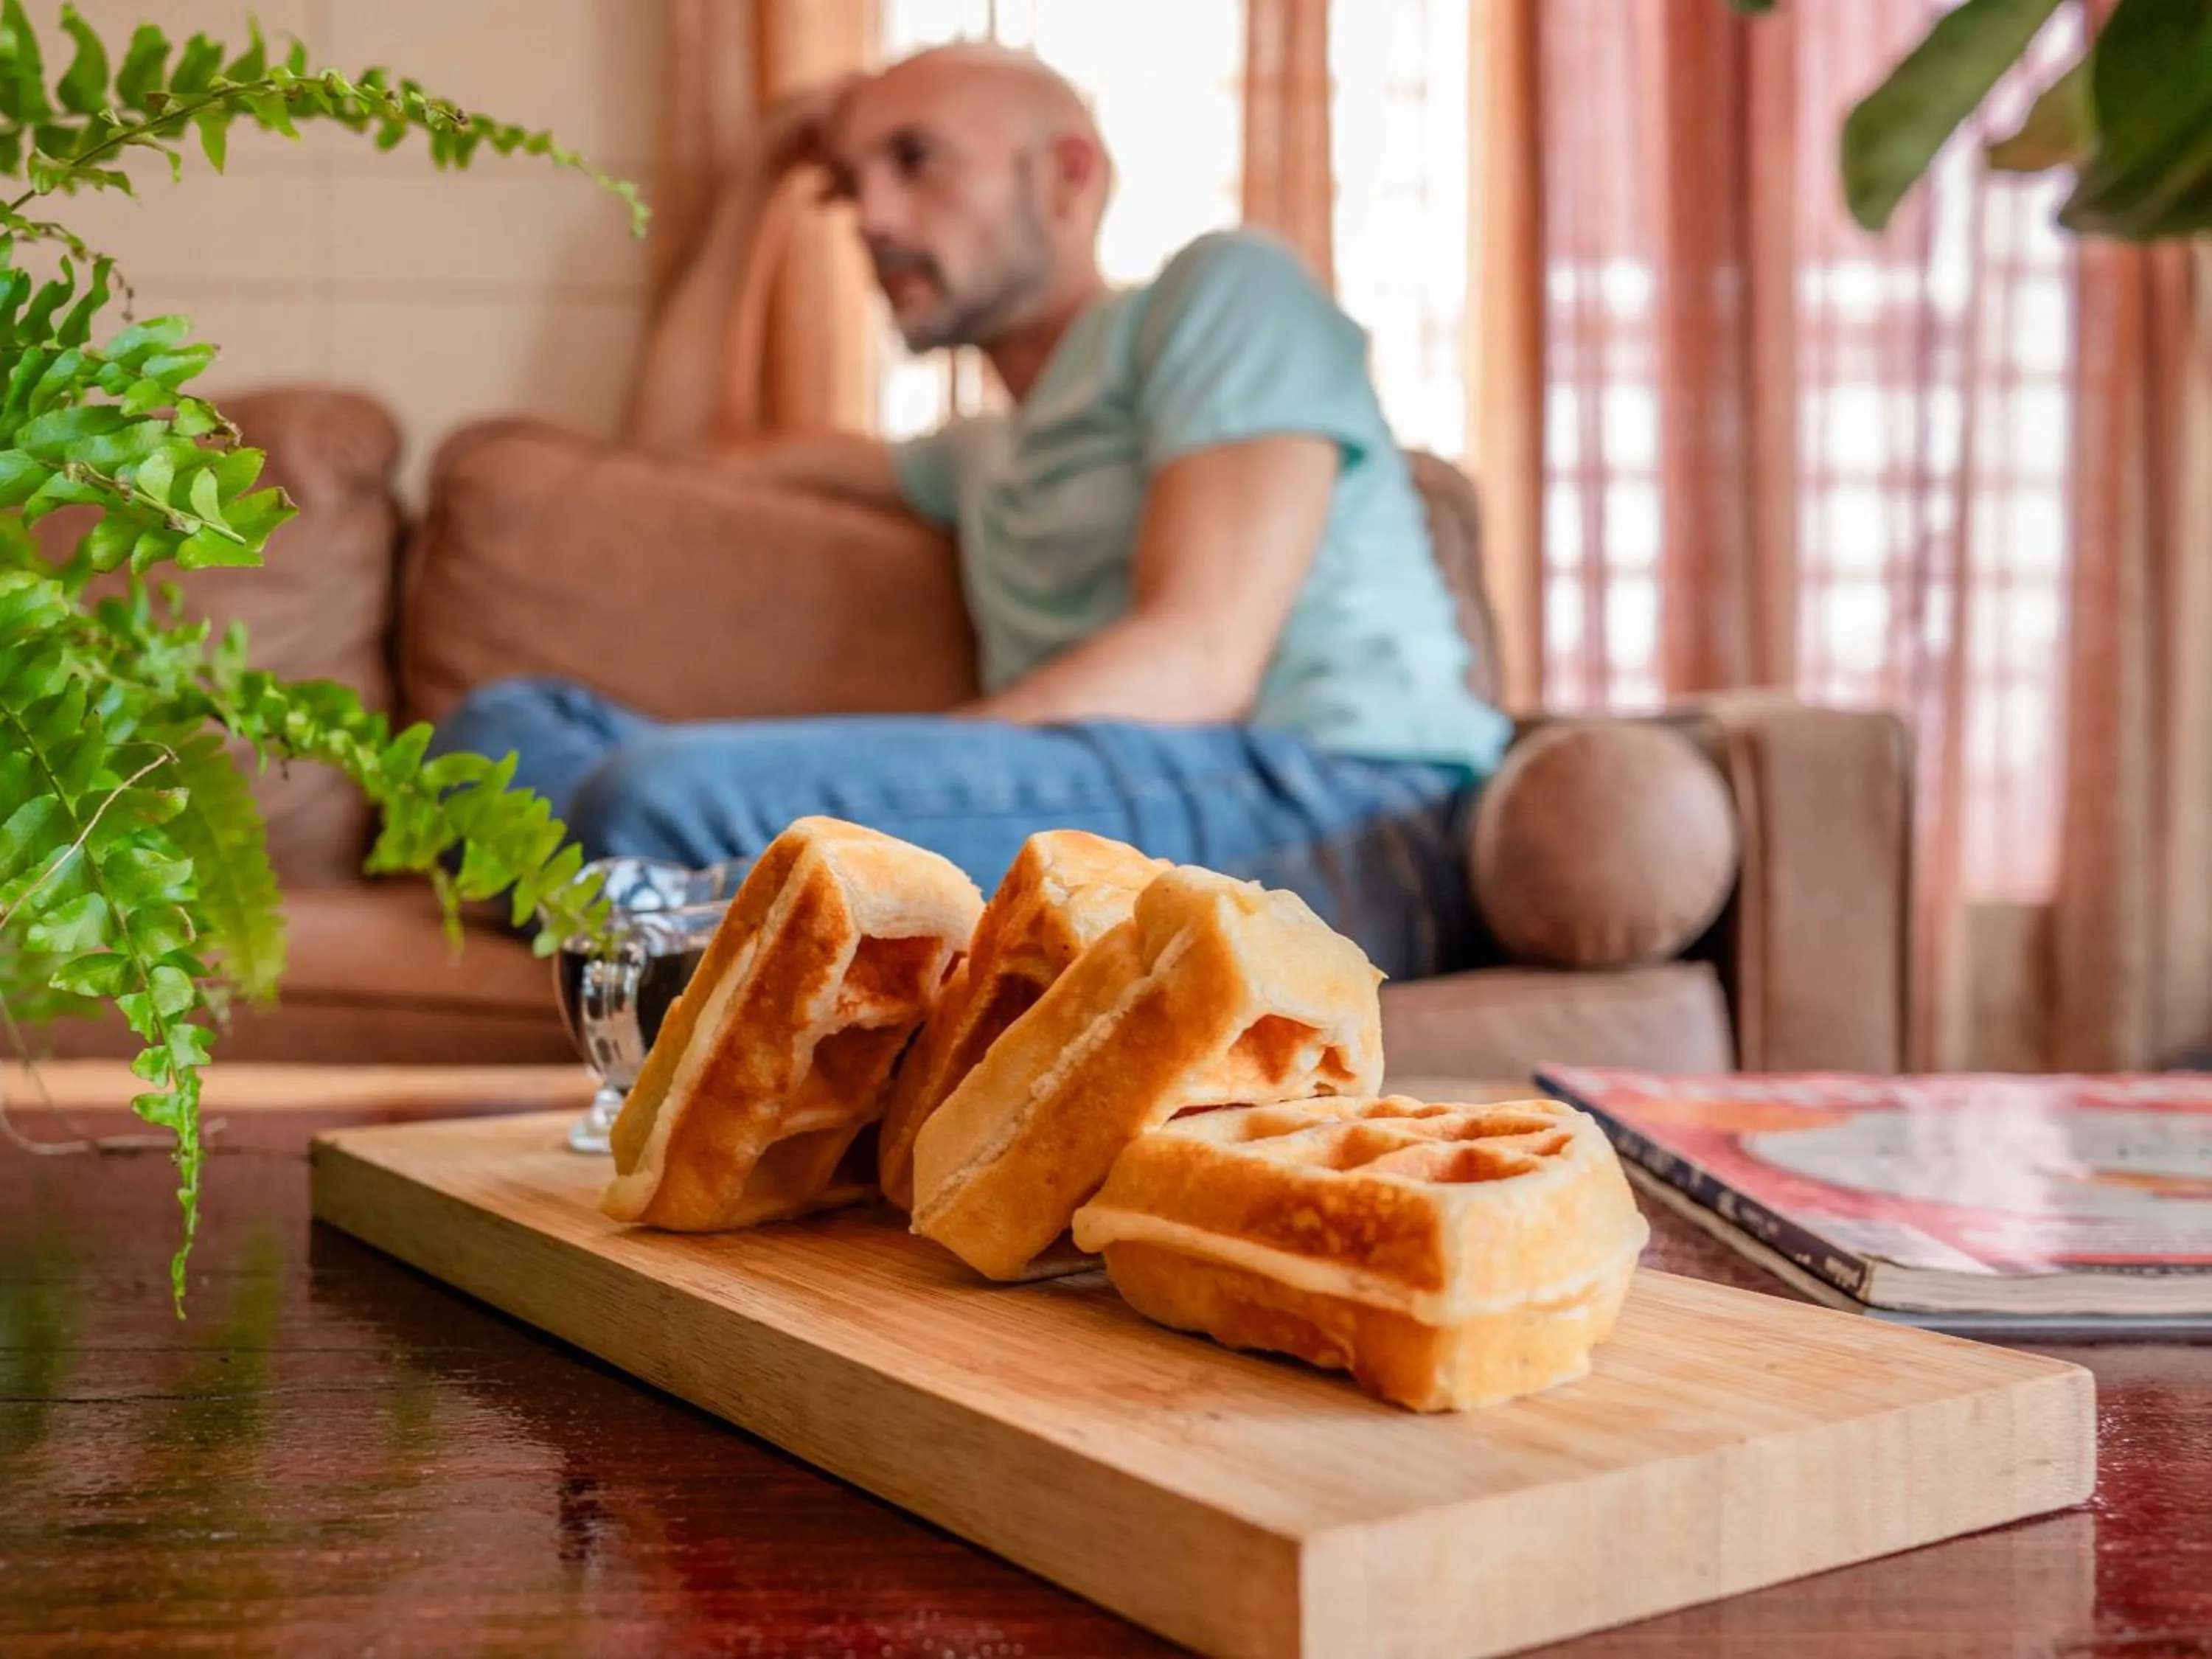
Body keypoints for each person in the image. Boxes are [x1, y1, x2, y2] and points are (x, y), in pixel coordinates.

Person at [429, 44, 1512, 980]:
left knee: (655, 801)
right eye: (850, 185)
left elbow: (1199, 660)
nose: (877, 219)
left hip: (1343, 807)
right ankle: (673, 910)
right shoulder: (979, 455)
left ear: (1069, 176)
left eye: (917, 160)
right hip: (1151, 786)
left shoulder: (1227, 292)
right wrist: (760, 176)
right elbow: (677, 456)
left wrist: (900, 798)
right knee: (492, 741)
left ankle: (664, 909)